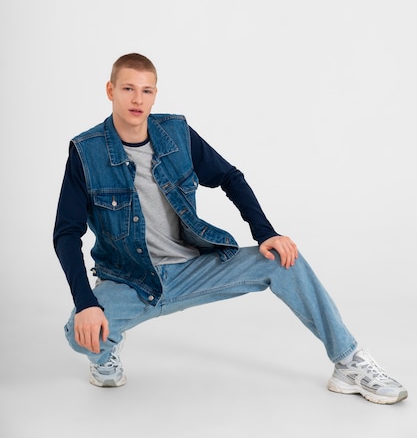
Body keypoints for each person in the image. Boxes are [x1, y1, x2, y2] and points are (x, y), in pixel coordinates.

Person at [53, 52, 407, 405]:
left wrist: (265, 232)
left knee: (285, 260)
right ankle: (105, 350)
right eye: (128, 88)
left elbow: (229, 177)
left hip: (191, 270)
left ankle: (348, 362)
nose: (137, 99)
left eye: (146, 91)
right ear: (110, 90)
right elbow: (66, 234)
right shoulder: (86, 152)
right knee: (79, 333)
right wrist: (86, 303)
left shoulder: (174, 133)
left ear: (155, 94)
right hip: (132, 280)